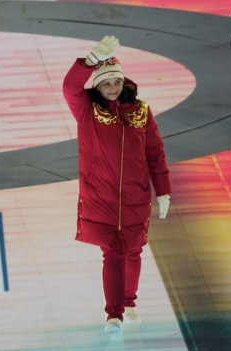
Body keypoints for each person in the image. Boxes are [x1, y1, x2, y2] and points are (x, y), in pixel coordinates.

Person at [62, 36, 171, 335]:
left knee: (134, 251)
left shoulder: (141, 111)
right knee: (112, 253)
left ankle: (129, 302)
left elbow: (155, 153)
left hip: (136, 195)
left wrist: (163, 189)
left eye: (116, 82)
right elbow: (70, 87)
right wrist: (92, 59)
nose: (112, 87)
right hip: (101, 196)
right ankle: (114, 316)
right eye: (105, 83)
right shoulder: (87, 111)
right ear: (96, 86)